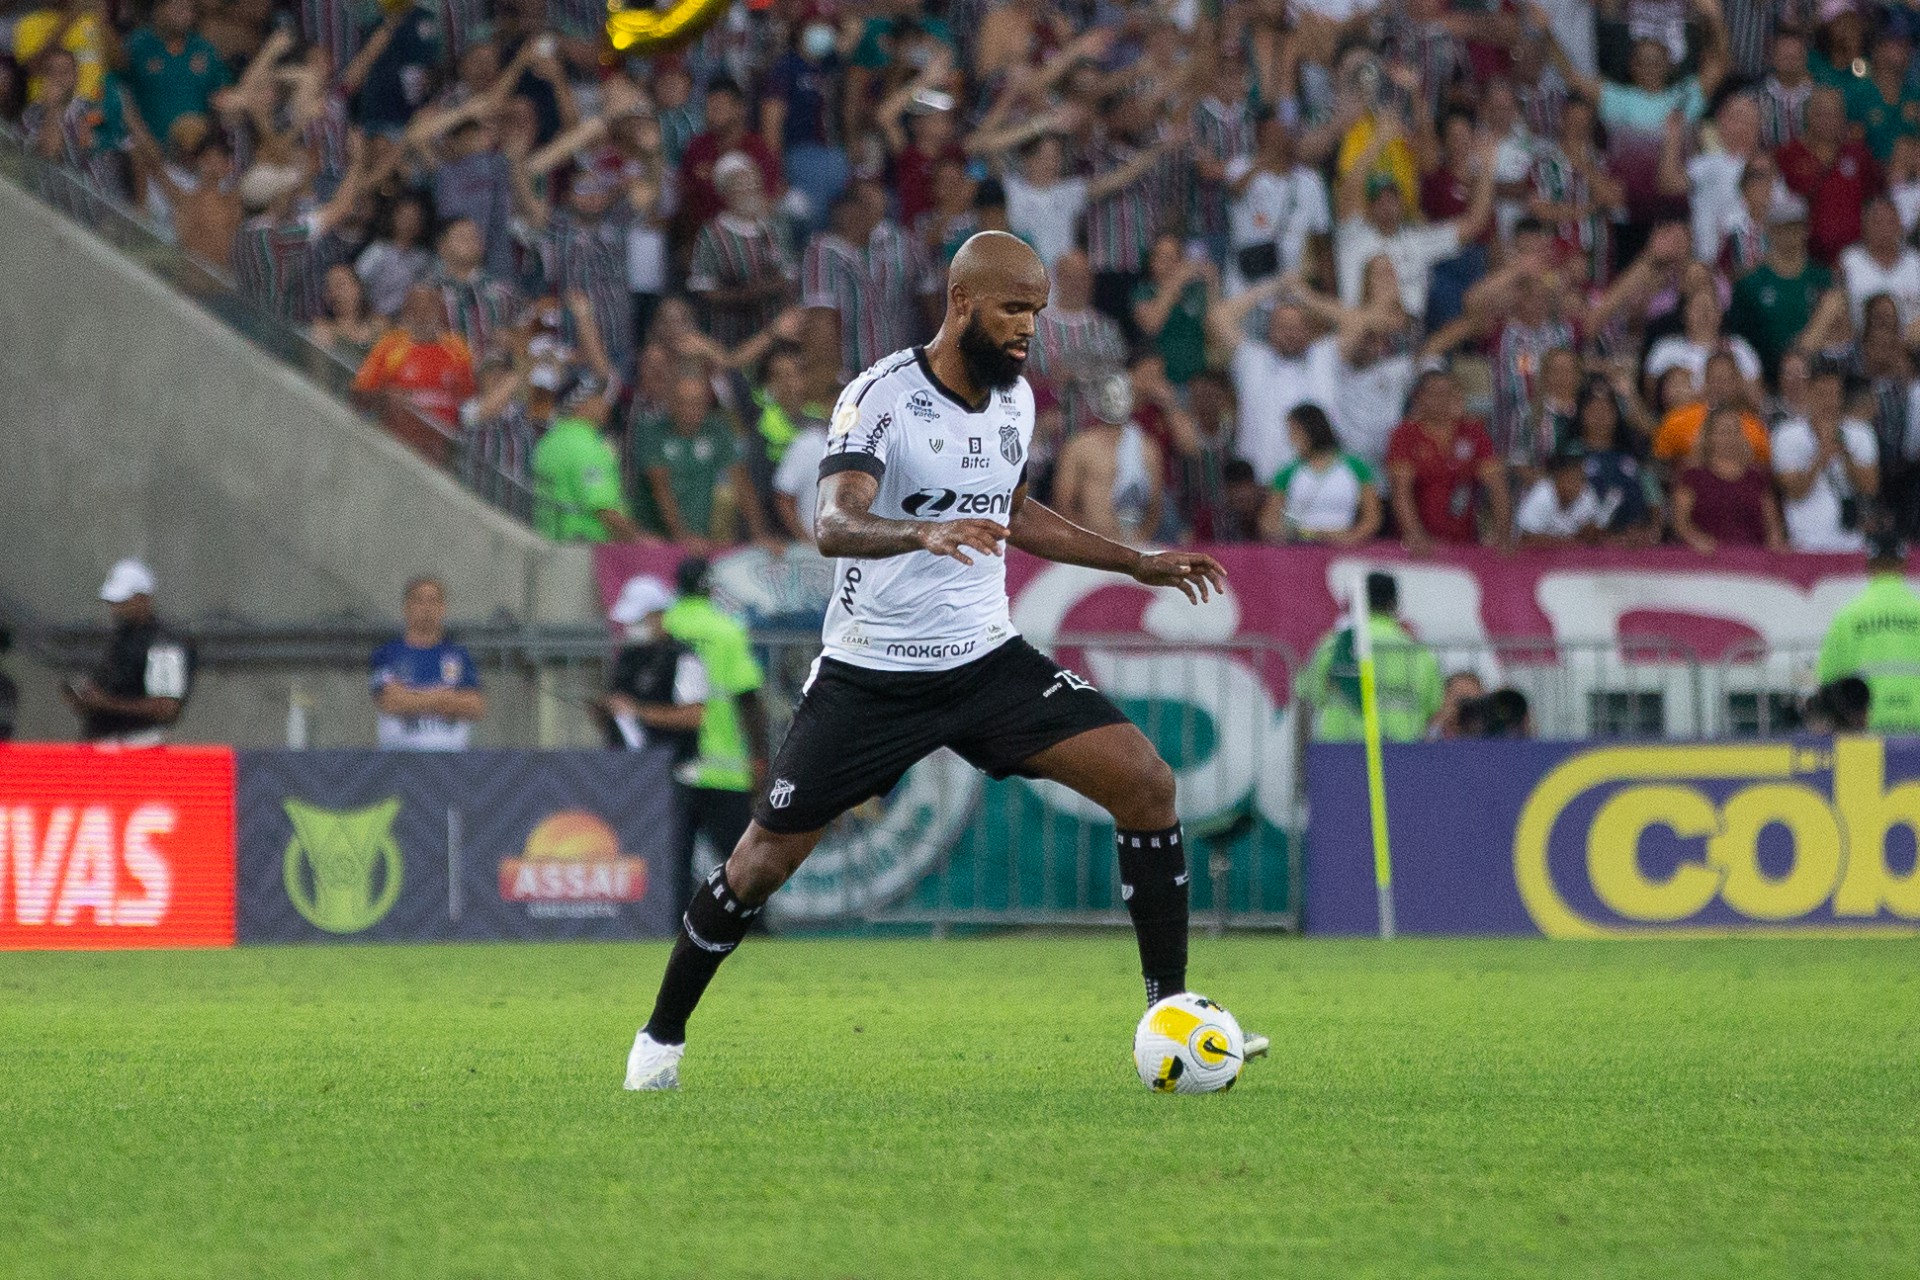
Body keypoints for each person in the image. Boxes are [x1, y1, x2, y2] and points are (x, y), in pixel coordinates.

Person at [623, 231, 1263, 1091]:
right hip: (872, 674)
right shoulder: (878, 397)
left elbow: (1015, 510)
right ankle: (660, 1040)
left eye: (1035, 313)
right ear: (962, 302)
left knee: (1146, 781)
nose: (1026, 330)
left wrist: (1134, 560)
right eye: (1012, 309)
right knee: (758, 865)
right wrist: (919, 531)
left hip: (985, 662)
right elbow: (834, 523)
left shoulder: (1016, 402)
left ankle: (1172, 1016)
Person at [660, 557, 772, 911]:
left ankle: (675, 928)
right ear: (710, 587)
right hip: (722, 765)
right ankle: (755, 923)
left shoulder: (664, 625)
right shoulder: (727, 629)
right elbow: (748, 698)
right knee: (740, 856)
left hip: (669, 760)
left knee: (674, 856)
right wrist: (759, 757)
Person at [1298, 571, 1443, 743]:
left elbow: (1309, 692)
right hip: (1400, 752)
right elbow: (1433, 704)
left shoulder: (1334, 645)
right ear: (1394, 604)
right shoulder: (1417, 652)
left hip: (1339, 752)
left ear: (1356, 602)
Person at [62, 559, 194, 745]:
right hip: (102, 743)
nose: (115, 608)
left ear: (143, 598)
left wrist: (104, 703)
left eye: (121, 601)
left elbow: (166, 708)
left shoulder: (164, 643)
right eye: (112, 602)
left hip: (139, 745)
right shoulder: (120, 636)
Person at [1385, 368, 1512, 552]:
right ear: (1418, 397)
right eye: (1436, 394)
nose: (1443, 399)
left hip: (1464, 543)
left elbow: (1497, 486)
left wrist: (1503, 533)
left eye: (1449, 392)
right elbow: (1401, 491)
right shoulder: (1404, 435)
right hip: (1417, 545)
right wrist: (1415, 535)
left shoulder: (1474, 432)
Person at [1817, 530, 1920, 733]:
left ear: (1869, 565)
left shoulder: (1848, 615)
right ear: (1903, 564)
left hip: (1866, 729)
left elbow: (1826, 676)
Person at [368, 576, 487, 751]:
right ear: (406, 607)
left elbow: (474, 706)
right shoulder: (388, 654)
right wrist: (443, 696)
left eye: (433, 601)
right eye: (419, 601)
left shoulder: (457, 656)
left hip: (450, 763)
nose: (427, 608)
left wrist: (412, 698)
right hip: (399, 762)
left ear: (443, 608)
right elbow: (390, 702)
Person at [1773, 362, 1879, 554]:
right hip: (1804, 542)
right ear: (1809, 392)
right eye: (1822, 394)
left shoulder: (1861, 432)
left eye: (1835, 394)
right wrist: (1821, 457)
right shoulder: (1787, 434)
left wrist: (1844, 451)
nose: (1829, 401)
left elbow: (1870, 487)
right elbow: (1795, 492)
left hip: (1852, 542)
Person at [1052, 372, 1165, 545]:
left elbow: (1155, 505)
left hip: (1134, 547)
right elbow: (1063, 504)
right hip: (1090, 549)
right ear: (1099, 399)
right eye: (1110, 394)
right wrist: (1088, 542)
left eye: (1121, 394)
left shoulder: (1147, 447)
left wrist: (1141, 539)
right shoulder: (1079, 446)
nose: (1116, 401)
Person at [530, 378, 646, 543]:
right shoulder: (587, 447)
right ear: (581, 404)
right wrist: (641, 540)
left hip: (547, 538)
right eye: (599, 397)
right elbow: (603, 508)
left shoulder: (549, 440)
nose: (606, 403)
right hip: (584, 548)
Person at [1258, 404, 1383, 546]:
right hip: (1299, 550)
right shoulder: (1287, 472)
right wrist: (1288, 535)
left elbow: (1373, 518)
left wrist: (1348, 539)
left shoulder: (1356, 467)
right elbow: (1268, 522)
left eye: (1294, 431)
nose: (1290, 439)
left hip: (1343, 550)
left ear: (1311, 430)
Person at [1671, 406, 1786, 552]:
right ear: (1709, 436)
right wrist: (1696, 539)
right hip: (1707, 562)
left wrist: (1775, 543)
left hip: (1752, 561)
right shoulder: (1693, 477)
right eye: (1723, 431)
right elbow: (1680, 523)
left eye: (1734, 431)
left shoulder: (1756, 477)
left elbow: (1772, 524)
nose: (1729, 437)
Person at [1514, 445, 1607, 547]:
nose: (1576, 485)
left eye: (1580, 479)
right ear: (1556, 478)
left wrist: (1591, 532)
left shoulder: (1586, 493)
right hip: (1530, 556)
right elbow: (1526, 538)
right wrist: (1570, 541)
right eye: (1570, 479)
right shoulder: (1542, 494)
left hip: (1567, 555)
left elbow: (1592, 532)